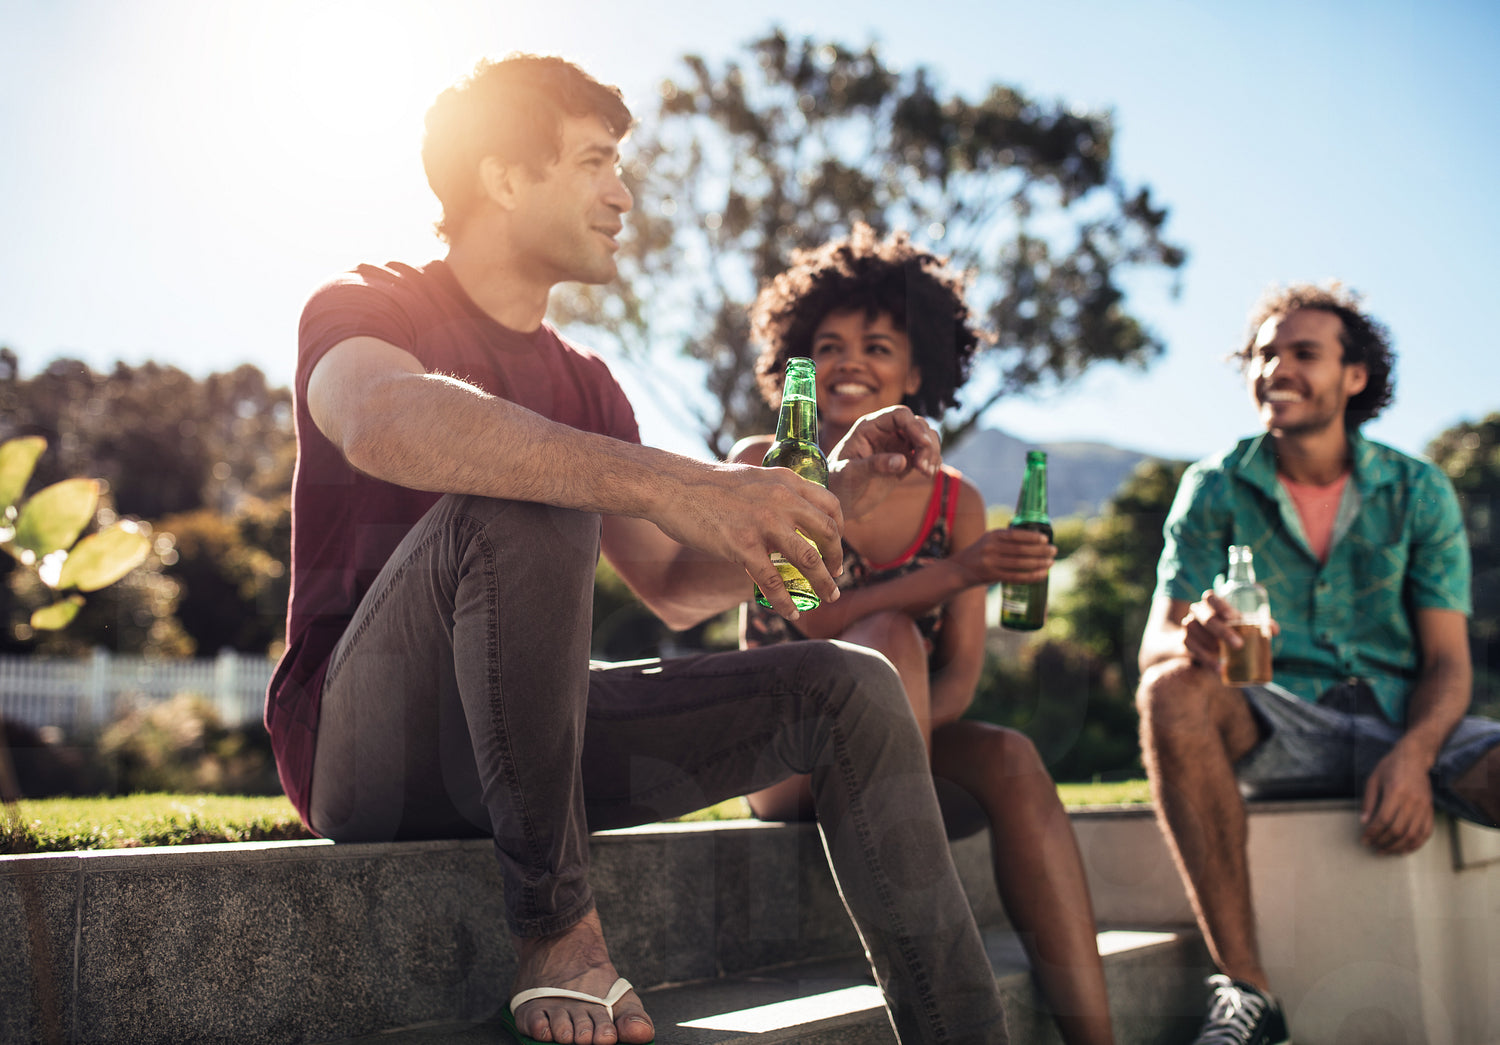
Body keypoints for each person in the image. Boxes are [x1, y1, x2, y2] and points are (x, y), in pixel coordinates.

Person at [265, 55, 1013, 1045]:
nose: (622, 196)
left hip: (535, 745)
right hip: (370, 748)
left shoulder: (588, 383)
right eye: (595, 163)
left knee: (849, 684)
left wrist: (831, 495)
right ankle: (557, 935)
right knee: (533, 488)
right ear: (504, 176)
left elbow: (671, 587)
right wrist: (672, 482)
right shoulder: (369, 304)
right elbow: (380, 418)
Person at [732, 226, 1115, 1045]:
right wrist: (959, 573)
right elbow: (815, 616)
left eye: (877, 346)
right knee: (889, 634)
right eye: (827, 346)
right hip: (783, 759)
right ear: (798, 365)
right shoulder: (771, 460)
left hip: (906, 741)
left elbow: (964, 680)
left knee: (1013, 755)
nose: (849, 361)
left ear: (916, 373)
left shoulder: (956, 502)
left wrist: (968, 568)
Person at [1135, 282, 1500, 1045]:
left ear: (1354, 375)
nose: (1277, 368)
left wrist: (1414, 754)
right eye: (1264, 354)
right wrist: (1195, 639)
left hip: (1403, 716)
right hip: (1274, 720)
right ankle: (1248, 993)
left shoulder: (1418, 489)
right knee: (1169, 688)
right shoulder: (1213, 486)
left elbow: (1446, 661)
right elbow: (1157, 643)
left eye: (1304, 352)